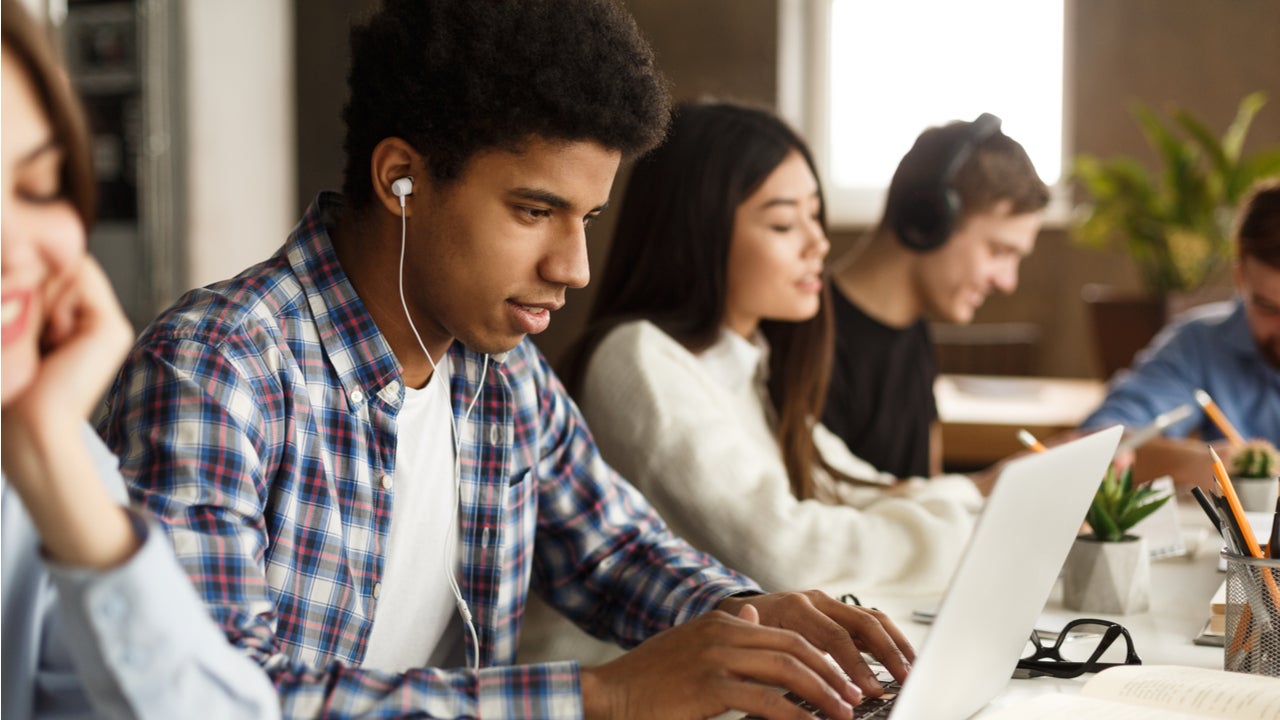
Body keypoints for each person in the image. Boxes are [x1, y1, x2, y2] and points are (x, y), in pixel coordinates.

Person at [97, 2, 914, 718]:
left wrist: (753, 623)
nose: (574, 267)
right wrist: (607, 698)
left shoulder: (500, 371)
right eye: (535, 210)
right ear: (401, 180)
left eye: (587, 218)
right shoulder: (216, 375)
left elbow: (611, 551)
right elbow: (214, 700)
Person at [557, 100, 982, 595]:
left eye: (815, 216)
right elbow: (787, 555)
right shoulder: (639, 359)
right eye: (784, 224)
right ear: (700, 231)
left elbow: (856, 488)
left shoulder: (749, 364)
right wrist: (969, 525)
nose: (818, 244)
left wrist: (976, 495)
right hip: (621, 668)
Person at [0, 2, 280, 718]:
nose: (16, 250)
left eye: (37, 187)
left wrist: (52, 462)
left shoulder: (41, 465)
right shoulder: (214, 359)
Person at [823, 116, 1051, 478]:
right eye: (998, 251)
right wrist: (985, 488)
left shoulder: (914, 330)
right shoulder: (810, 340)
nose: (1008, 282)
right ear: (929, 220)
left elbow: (928, 496)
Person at [1078, 178, 1280, 486]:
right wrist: (1200, 462)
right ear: (1241, 280)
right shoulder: (1199, 344)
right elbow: (1100, 439)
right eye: (1268, 307)